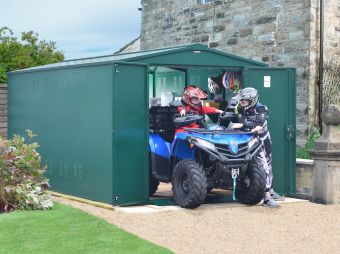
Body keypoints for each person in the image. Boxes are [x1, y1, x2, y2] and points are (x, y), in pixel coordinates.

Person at [231, 87, 284, 208]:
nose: (242, 102)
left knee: (268, 164)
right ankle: (266, 195)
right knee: (262, 165)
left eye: (244, 101)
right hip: (250, 140)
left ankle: (270, 192)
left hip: (264, 139)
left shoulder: (262, 108)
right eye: (241, 100)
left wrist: (243, 125)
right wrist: (246, 124)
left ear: (252, 100)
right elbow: (244, 121)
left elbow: (259, 122)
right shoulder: (240, 109)